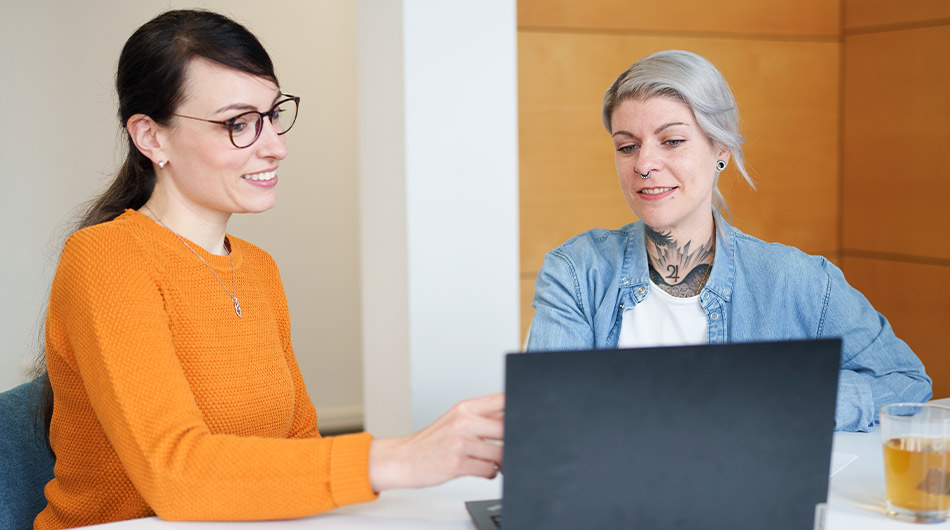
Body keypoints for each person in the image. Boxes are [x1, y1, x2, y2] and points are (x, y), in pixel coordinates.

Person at [34, 10, 503, 530]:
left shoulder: (258, 269)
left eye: (273, 114)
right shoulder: (106, 258)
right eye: (238, 123)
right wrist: (400, 458)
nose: (275, 145)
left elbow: (296, 443)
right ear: (151, 137)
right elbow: (177, 475)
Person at [525, 49, 931, 433]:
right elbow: (545, 420)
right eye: (627, 146)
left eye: (672, 141)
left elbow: (905, 382)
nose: (644, 164)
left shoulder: (797, 280)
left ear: (720, 148)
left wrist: (786, 402)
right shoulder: (576, 272)